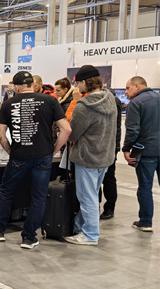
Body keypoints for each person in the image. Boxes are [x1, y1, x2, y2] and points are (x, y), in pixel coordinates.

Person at [0, 71, 71, 249]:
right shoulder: (50, 100)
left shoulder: (9, 103)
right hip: (43, 157)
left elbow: (0, 133)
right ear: (32, 84)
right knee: (39, 197)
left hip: (19, 156)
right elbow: (66, 129)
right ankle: (29, 237)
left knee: (7, 192)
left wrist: (10, 151)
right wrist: (54, 150)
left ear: (17, 87)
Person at [64, 65, 117, 246]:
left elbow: (72, 134)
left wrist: (74, 103)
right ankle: (80, 227)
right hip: (105, 156)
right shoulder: (110, 98)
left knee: (87, 198)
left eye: (78, 82)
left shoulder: (83, 106)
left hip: (87, 157)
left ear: (86, 82)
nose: (76, 87)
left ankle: (90, 234)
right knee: (91, 196)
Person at [123, 76, 160, 232]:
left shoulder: (136, 103)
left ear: (137, 86)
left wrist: (126, 149)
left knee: (145, 187)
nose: (125, 92)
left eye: (128, 88)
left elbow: (132, 130)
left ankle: (145, 222)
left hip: (146, 152)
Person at [99, 88, 123, 220]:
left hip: (108, 146)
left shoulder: (111, 102)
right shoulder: (114, 102)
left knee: (107, 179)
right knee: (107, 178)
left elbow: (115, 129)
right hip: (110, 146)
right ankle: (107, 207)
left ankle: (109, 207)